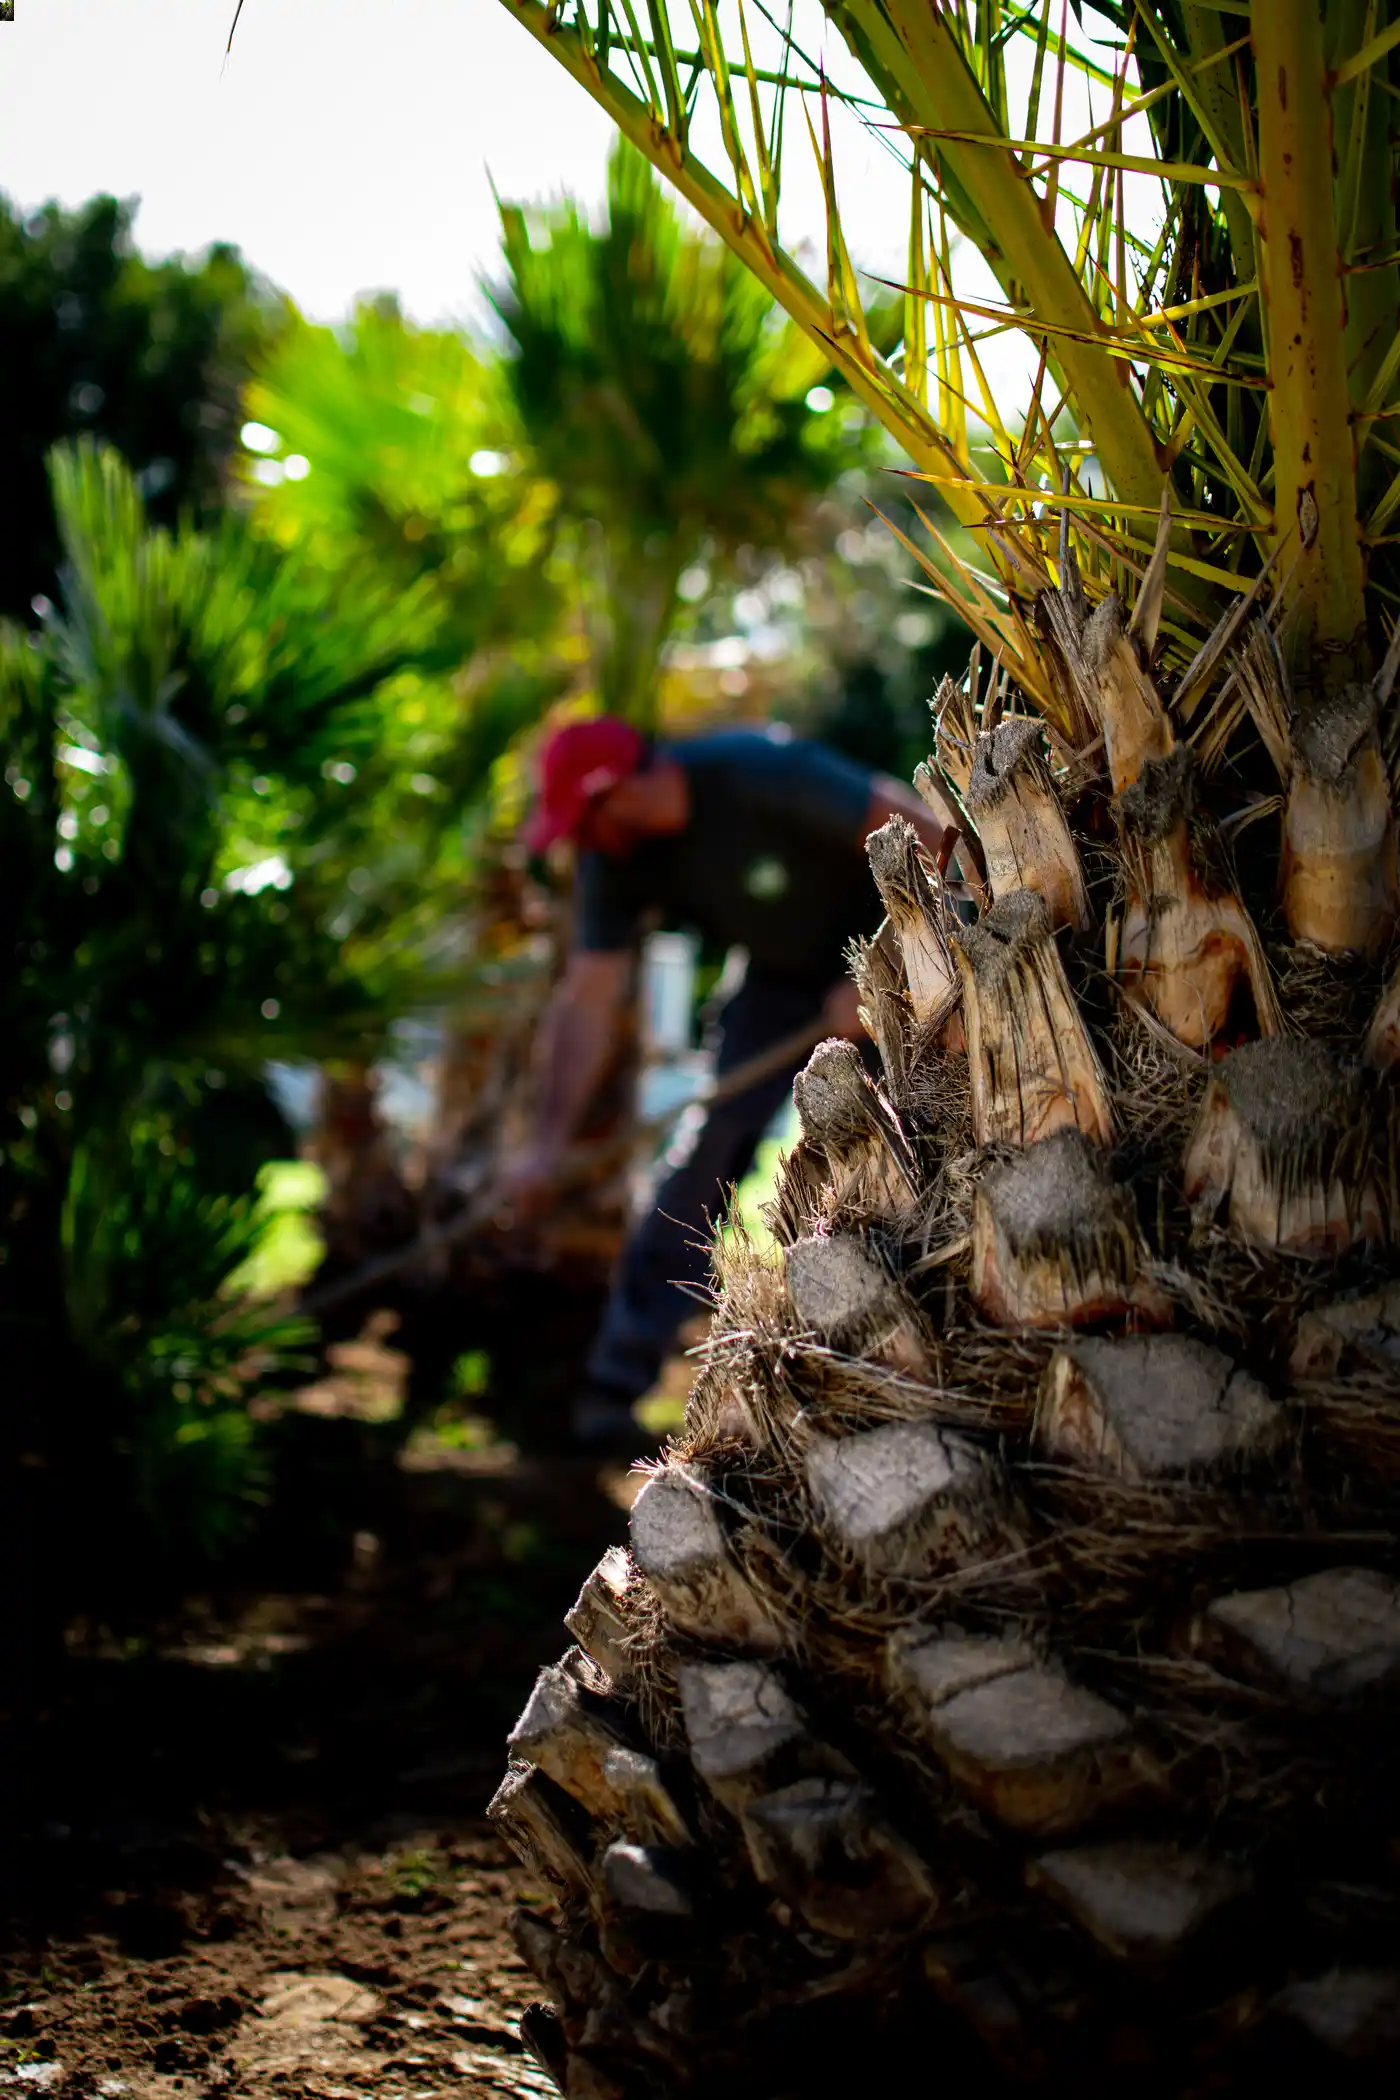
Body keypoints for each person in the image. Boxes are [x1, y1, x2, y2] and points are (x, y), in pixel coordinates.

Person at [500, 715, 967, 1447]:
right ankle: (614, 1385)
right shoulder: (614, 856)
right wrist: (548, 1143)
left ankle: (917, 1374)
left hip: (902, 959)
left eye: (582, 819)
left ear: (615, 788)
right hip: (780, 987)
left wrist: (891, 967)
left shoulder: (758, 769)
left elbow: (929, 839)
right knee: (708, 1155)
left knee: (911, 1155)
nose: (579, 843)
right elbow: (587, 998)